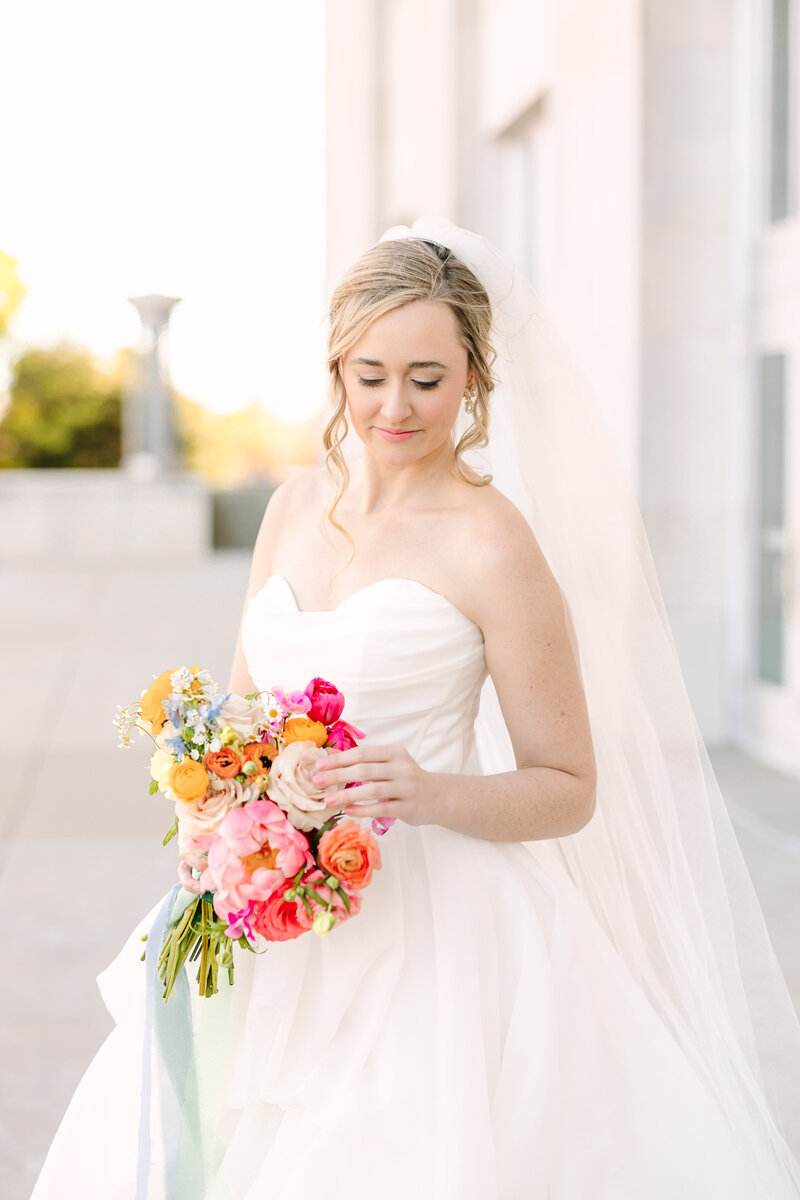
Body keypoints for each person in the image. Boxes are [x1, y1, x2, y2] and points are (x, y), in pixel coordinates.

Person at [30, 219, 800, 1199]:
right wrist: (214, 808)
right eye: (370, 374)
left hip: (436, 943)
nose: (395, 405)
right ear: (337, 367)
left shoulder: (493, 544)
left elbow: (567, 789)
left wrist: (428, 791)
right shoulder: (290, 509)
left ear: (474, 377)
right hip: (267, 920)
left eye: (428, 379)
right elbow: (238, 718)